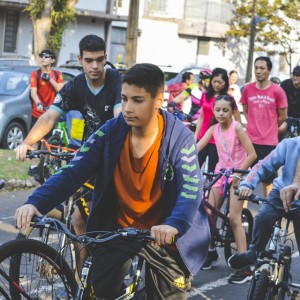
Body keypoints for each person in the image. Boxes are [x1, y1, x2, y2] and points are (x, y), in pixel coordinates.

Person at [15, 63, 210, 299]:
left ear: (158, 100)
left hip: (166, 237)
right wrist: (36, 202)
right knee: (94, 293)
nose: (127, 108)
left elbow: (191, 189)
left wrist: (175, 224)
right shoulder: (110, 131)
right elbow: (73, 171)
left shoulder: (179, 137)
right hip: (119, 230)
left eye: (137, 100)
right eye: (124, 99)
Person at [15, 34, 122, 260]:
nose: (95, 66)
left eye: (100, 60)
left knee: (111, 222)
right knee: (78, 219)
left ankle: (117, 268)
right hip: (89, 157)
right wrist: (28, 141)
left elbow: (119, 118)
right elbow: (50, 116)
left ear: (106, 58)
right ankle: (81, 280)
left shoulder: (116, 80)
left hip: (117, 158)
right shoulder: (74, 86)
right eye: (89, 60)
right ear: (80, 59)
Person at [227, 137, 300, 284]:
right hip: (280, 192)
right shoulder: (290, 144)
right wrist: (247, 184)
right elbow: (264, 165)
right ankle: (253, 254)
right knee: (262, 218)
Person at [197, 95, 256, 271]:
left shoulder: (237, 128)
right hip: (220, 172)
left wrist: (238, 174)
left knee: (233, 218)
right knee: (208, 212)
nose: (221, 113)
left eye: (225, 110)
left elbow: (252, 154)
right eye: (217, 110)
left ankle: (243, 262)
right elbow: (196, 147)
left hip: (239, 173)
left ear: (232, 112)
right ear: (213, 111)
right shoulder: (214, 128)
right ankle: (211, 251)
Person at [240, 56, 288, 197]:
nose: (258, 71)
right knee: (245, 178)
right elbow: (246, 110)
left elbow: (283, 116)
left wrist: (270, 127)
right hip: (249, 142)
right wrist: (254, 124)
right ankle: (242, 215)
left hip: (269, 142)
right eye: (256, 68)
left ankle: (267, 212)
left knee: (268, 182)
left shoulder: (277, 91)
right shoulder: (247, 89)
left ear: (269, 71)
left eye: (262, 68)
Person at [194, 68, 241, 172]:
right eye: (214, 81)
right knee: (195, 168)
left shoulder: (228, 99)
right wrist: (196, 135)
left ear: (225, 83)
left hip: (218, 139)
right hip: (203, 136)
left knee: (213, 171)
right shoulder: (205, 95)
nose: (217, 84)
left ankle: (210, 188)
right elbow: (201, 116)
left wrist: (235, 135)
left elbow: (237, 118)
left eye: (220, 82)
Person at [28, 49, 64, 180]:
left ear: (52, 60)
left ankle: (43, 165)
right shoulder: (35, 74)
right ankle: (33, 167)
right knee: (35, 139)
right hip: (38, 112)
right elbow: (33, 92)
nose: (43, 58)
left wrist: (50, 80)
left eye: (46, 56)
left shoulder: (57, 74)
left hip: (51, 113)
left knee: (47, 140)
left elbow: (61, 89)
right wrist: (38, 102)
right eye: (41, 56)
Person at [279, 65, 300, 137]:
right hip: (286, 116)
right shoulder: (285, 84)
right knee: (280, 129)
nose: (295, 77)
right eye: (294, 74)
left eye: (298, 75)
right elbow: (278, 101)